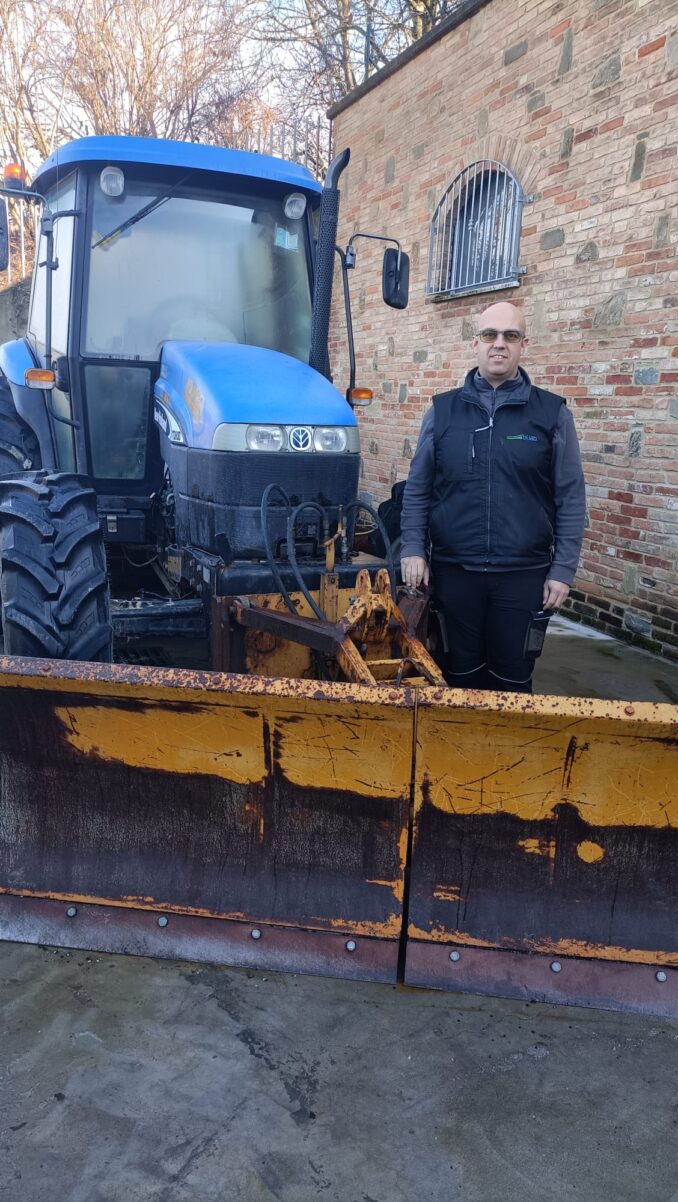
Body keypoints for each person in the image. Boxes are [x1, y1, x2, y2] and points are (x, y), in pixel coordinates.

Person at [400, 301, 586, 694]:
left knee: (513, 679)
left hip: (523, 576)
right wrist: (414, 548)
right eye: (490, 335)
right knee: (458, 675)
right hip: (455, 572)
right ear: (476, 343)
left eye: (510, 336)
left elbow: (570, 496)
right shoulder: (443, 411)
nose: (499, 344)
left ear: (523, 345)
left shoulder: (551, 414)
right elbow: (418, 487)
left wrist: (563, 569)